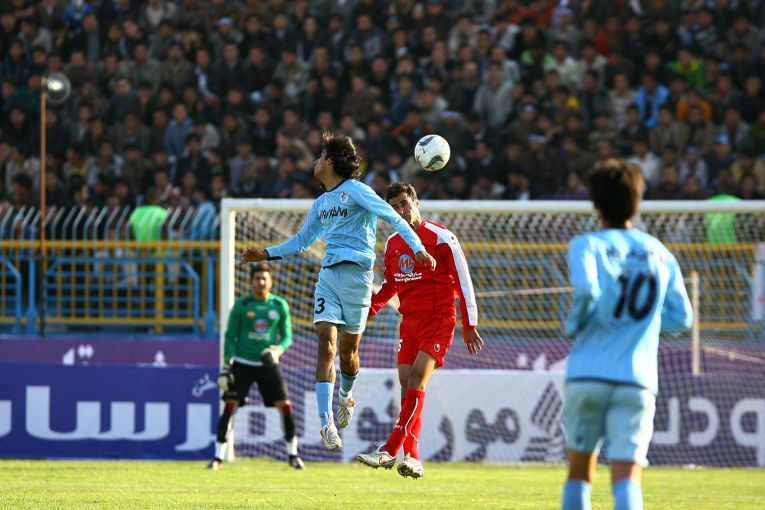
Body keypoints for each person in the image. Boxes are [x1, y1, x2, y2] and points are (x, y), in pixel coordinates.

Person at [238, 131, 436, 452]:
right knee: (325, 345)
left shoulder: (357, 190)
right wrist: (265, 253)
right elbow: (302, 242)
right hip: (329, 277)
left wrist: (417, 248)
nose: (315, 162)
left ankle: (345, 395)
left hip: (358, 280)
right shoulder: (320, 204)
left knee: (348, 354)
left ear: (330, 161)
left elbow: (391, 217)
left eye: (320, 156)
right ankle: (326, 423)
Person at [561, 159, 693, 510]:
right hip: (637, 378)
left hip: (588, 372)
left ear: (595, 203)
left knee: (579, 472)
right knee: (627, 478)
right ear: (637, 199)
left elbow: (587, 291)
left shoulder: (586, 245)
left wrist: (576, 323)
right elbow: (683, 317)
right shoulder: (659, 252)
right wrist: (642, 324)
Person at [355, 181, 484, 479]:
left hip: (439, 320)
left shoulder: (441, 237)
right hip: (410, 323)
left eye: (404, 203)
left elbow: (463, 281)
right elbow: (390, 286)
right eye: (394, 207)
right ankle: (412, 457)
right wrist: (367, 310)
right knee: (407, 386)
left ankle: (389, 450)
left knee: (416, 379)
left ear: (416, 203)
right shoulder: (392, 245)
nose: (401, 210)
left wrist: (470, 324)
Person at [210, 263, 305, 471]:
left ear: (271, 282)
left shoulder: (279, 305)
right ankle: (217, 457)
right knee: (230, 406)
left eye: (264, 279)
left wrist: (278, 350)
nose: (260, 282)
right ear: (251, 282)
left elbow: (287, 336)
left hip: (267, 363)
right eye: (257, 279)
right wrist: (227, 363)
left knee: (285, 405)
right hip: (242, 363)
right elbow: (230, 336)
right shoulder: (242, 305)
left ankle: (293, 454)